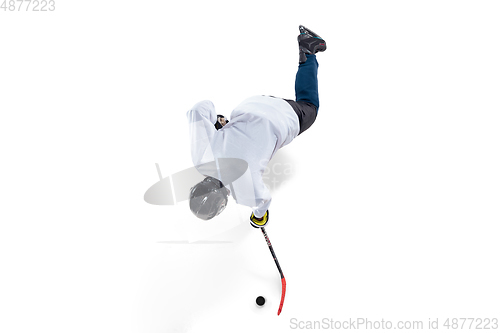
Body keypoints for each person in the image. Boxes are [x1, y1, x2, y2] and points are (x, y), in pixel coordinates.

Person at [186, 25, 326, 227]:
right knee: (290, 109)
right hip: (252, 104)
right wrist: (217, 122)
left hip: (282, 116)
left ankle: (308, 50)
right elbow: (198, 110)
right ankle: (306, 52)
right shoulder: (201, 159)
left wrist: (259, 218)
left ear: (222, 203)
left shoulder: (244, 192)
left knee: (310, 107)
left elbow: (264, 203)